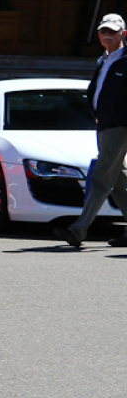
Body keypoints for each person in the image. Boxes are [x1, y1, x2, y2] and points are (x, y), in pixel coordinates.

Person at [54, 13, 127, 248]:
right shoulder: (102, 59)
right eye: (103, 31)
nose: (107, 35)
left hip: (120, 126)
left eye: (112, 32)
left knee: (101, 177)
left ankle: (78, 230)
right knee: (118, 181)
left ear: (123, 34)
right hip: (104, 125)